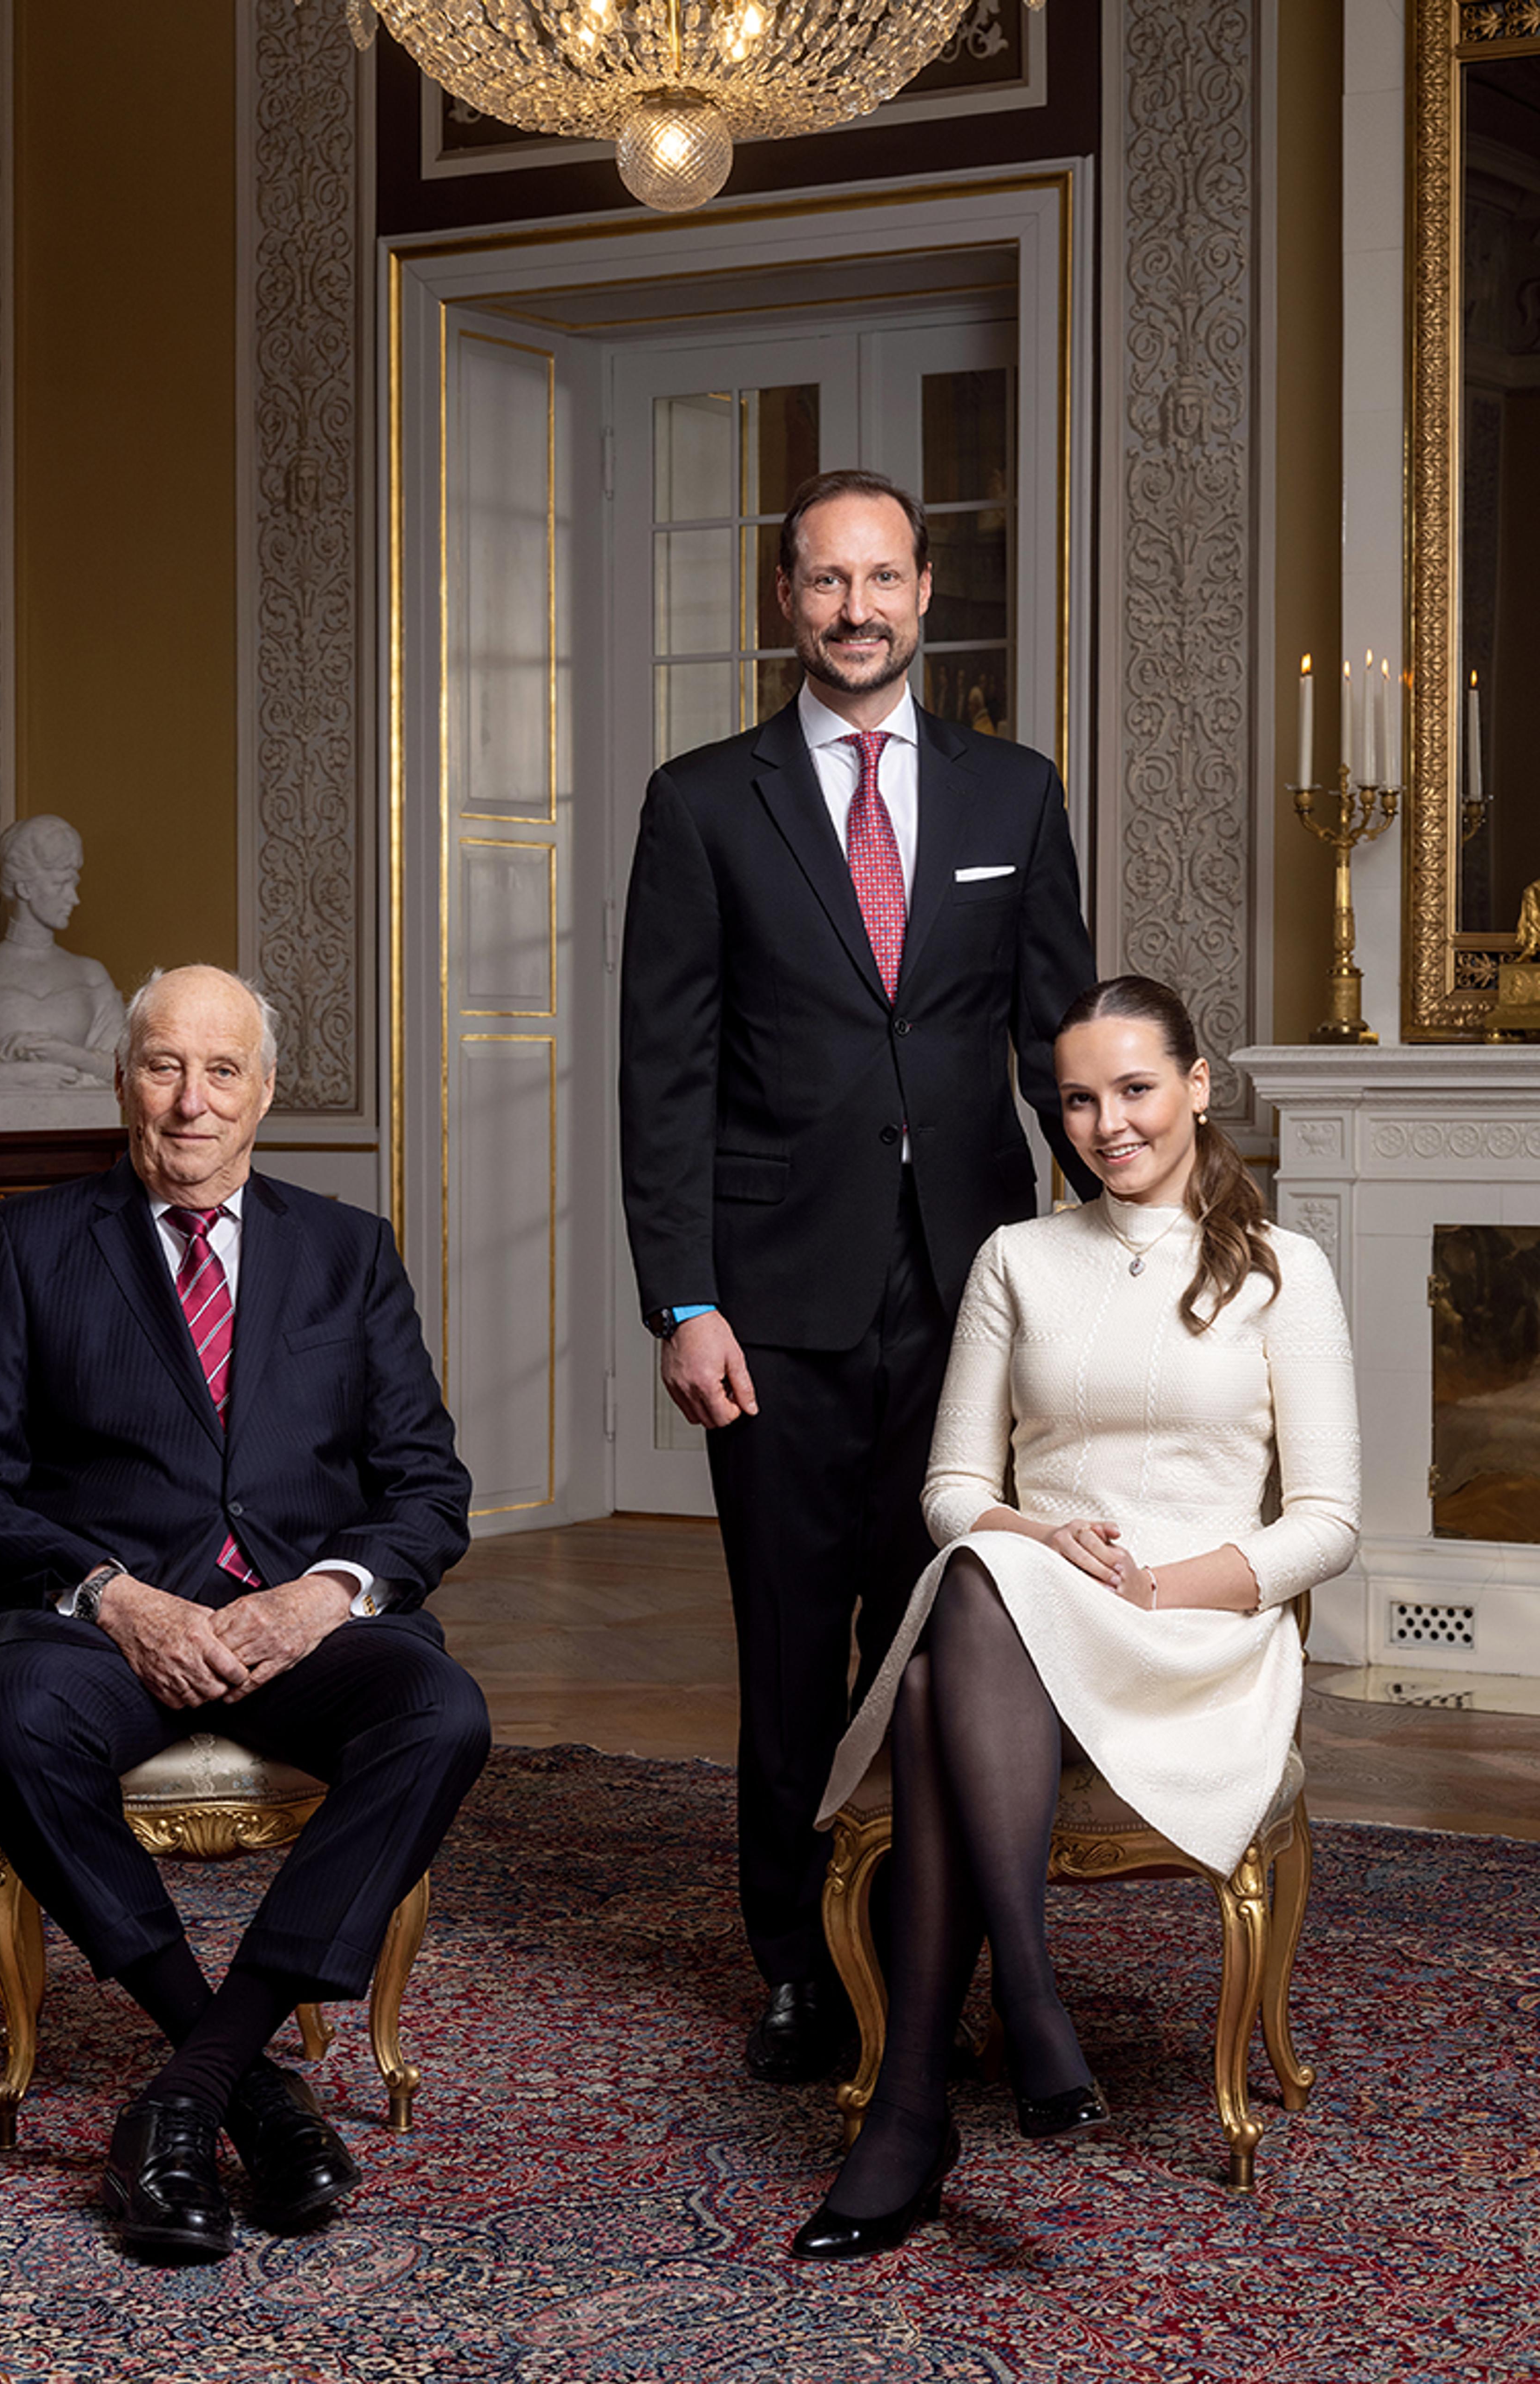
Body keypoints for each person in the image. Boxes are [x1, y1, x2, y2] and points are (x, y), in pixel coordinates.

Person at [619, 468, 1097, 2084]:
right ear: (785, 598)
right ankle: (794, 1968)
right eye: (826, 580)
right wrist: (683, 1299)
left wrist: (1123, 1246)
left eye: (882, 577)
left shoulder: (1011, 795)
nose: (856, 608)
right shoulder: (703, 803)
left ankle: (924, 1941)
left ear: (924, 590)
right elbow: (663, 1073)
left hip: (974, 1295)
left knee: (940, 1627)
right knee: (789, 1645)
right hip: (769, 1304)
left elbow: (1056, 1047)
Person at [0, 964, 490, 2265]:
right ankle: (249, 2082)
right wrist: (115, 1598)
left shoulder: (349, 1250)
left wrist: (323, 1595)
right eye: (165, 1067)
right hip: (104, 1629)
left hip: (297, 1627)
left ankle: (190, 2087)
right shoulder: (28, 1244)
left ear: (265, 1091)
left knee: (440, 1713)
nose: (192, 1101)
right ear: (125, 1081)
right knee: (7, 1720)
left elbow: (427, 1490)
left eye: (222, 1070)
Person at [789, 976, 1361, 2260]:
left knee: (934, 1675)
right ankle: (1016, 2013)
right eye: (1080, 1100)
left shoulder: (1284, 1271)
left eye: (1137, 1090)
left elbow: (1327, 1522)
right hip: (1025, 1611)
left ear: (1198, 1088)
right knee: (982, 1575)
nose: (1109, 1125)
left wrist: (1160, 1584)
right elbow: (952, 1489)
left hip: (1191, 1636)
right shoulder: (1019, 1257)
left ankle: (924, 2100)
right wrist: (1043, 1540)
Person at [0, 814, 127, 1084]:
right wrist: (14, 1076)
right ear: (25, 888)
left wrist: (68, 1055)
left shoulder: (92, 976)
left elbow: (122, 1072)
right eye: (60, 884)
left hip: (83, 1113)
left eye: (74, 884)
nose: (74, 899)